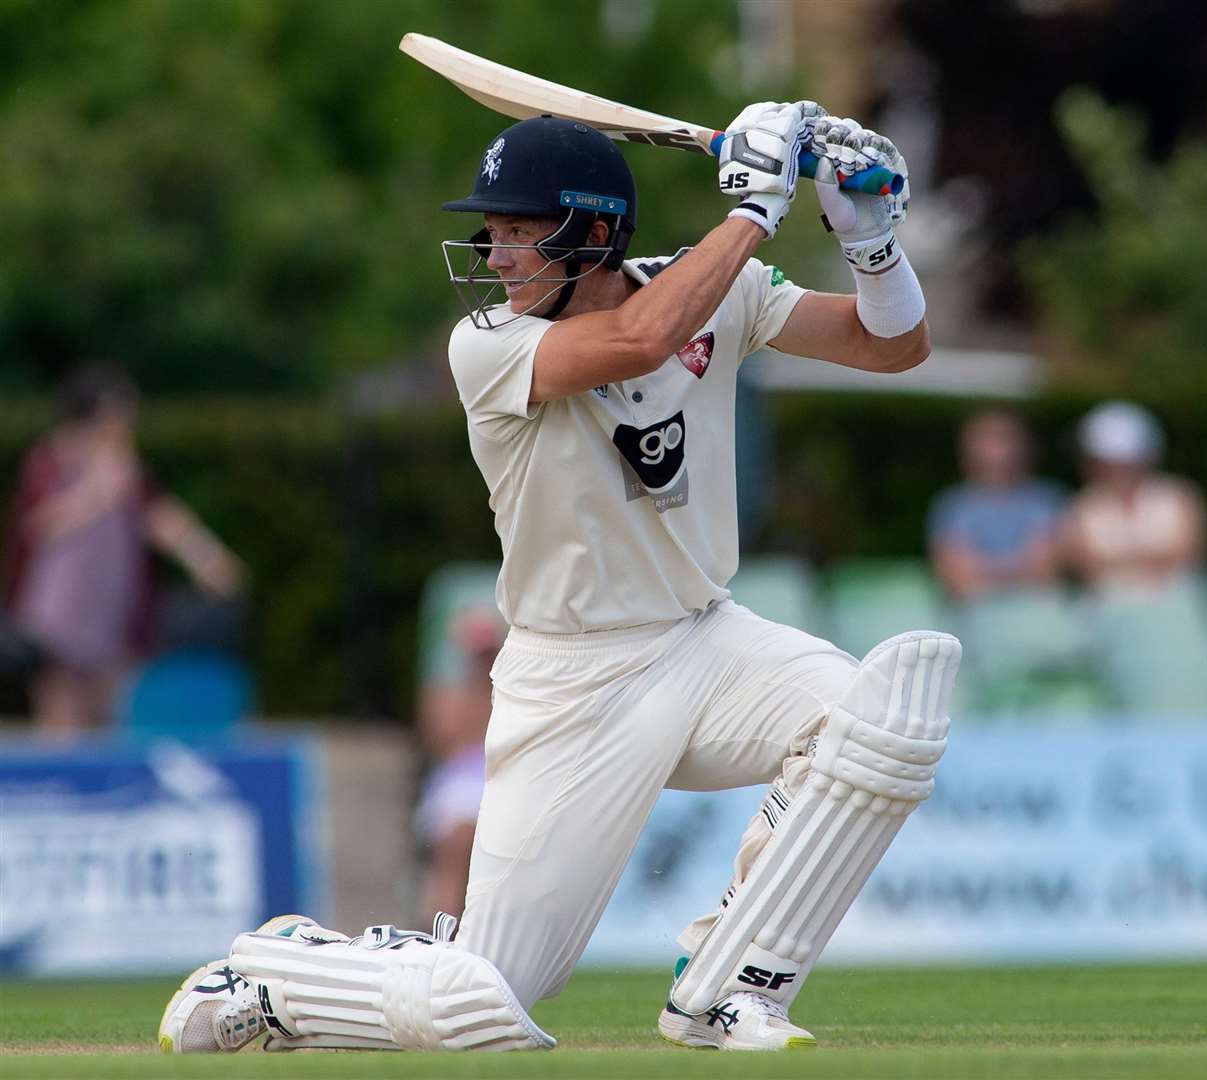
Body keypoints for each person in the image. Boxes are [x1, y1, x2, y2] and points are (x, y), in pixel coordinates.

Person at [160, 105, 961, 1054]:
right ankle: (280, 969)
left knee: (879, 721)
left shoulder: (713, 290)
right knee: (478, 1003)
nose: (494, 258)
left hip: (706, 640)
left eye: (514, 232)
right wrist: (755, 204)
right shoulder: (488, 345)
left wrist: (869, 238)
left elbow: (890, 346)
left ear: (591, 233)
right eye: (489, 233)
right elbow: (635, 345)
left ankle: (728, 986)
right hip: (571, 684)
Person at [3, 364, 245, 736]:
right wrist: (96, 494)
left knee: (111, 710)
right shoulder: (49, 461)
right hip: (62, 612)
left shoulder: (126, 465)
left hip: (113, 609)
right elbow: (37, 526)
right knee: (62, 712)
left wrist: (207, 558)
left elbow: (161, 516)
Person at [1061, 400, 1207, 713]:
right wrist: (1153, 559)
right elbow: (1085, 565)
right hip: (1112, 617)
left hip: (1177, 611)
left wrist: (1121, 562)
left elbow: (1192, 552)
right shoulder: (1083, 506)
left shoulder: (1179, 496)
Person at [414, 606, 504, 923]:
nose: (485, 663)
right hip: (463, 780)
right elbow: (442, 739)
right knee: (456, 844)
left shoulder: (514, 690)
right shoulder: (449, 694)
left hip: (499, 774)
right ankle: (442, 922)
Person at [927, 408, 1065, 601]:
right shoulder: (951, 504)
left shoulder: (1047, 499)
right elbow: (959, 577)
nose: (996, 451)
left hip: (1036, 613)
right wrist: (1019, 569)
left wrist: (984, 572)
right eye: (987, 439)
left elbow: (1045, 568)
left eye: (1003, 438)